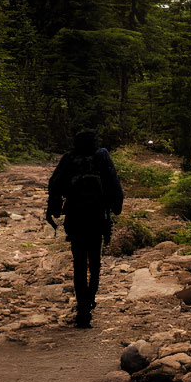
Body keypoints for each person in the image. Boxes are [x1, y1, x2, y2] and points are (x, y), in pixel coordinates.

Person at [46, 129, 123, 328]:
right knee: (95, 261)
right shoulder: (102, 155)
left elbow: (54, 184)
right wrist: (116, 207)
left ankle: (82, 306)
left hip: (76, 217)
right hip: (98, 217)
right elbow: (113, 183)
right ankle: (90, 299)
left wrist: (54, 210)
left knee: (79, 263)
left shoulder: (69, 158)